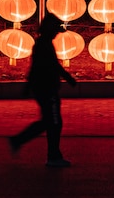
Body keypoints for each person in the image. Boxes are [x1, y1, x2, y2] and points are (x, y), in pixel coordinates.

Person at [9, 13, 77, 167]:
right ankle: (52, 156)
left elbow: (38, 66)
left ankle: (20, 140)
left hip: (43, 88)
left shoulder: (43, 43)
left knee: (49, 122)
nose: (56, 34)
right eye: (55, 30)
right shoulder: (43, 44)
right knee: (53, 122)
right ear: (50, 29)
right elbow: (50, 65)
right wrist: (68, 78)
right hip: (47, 88)